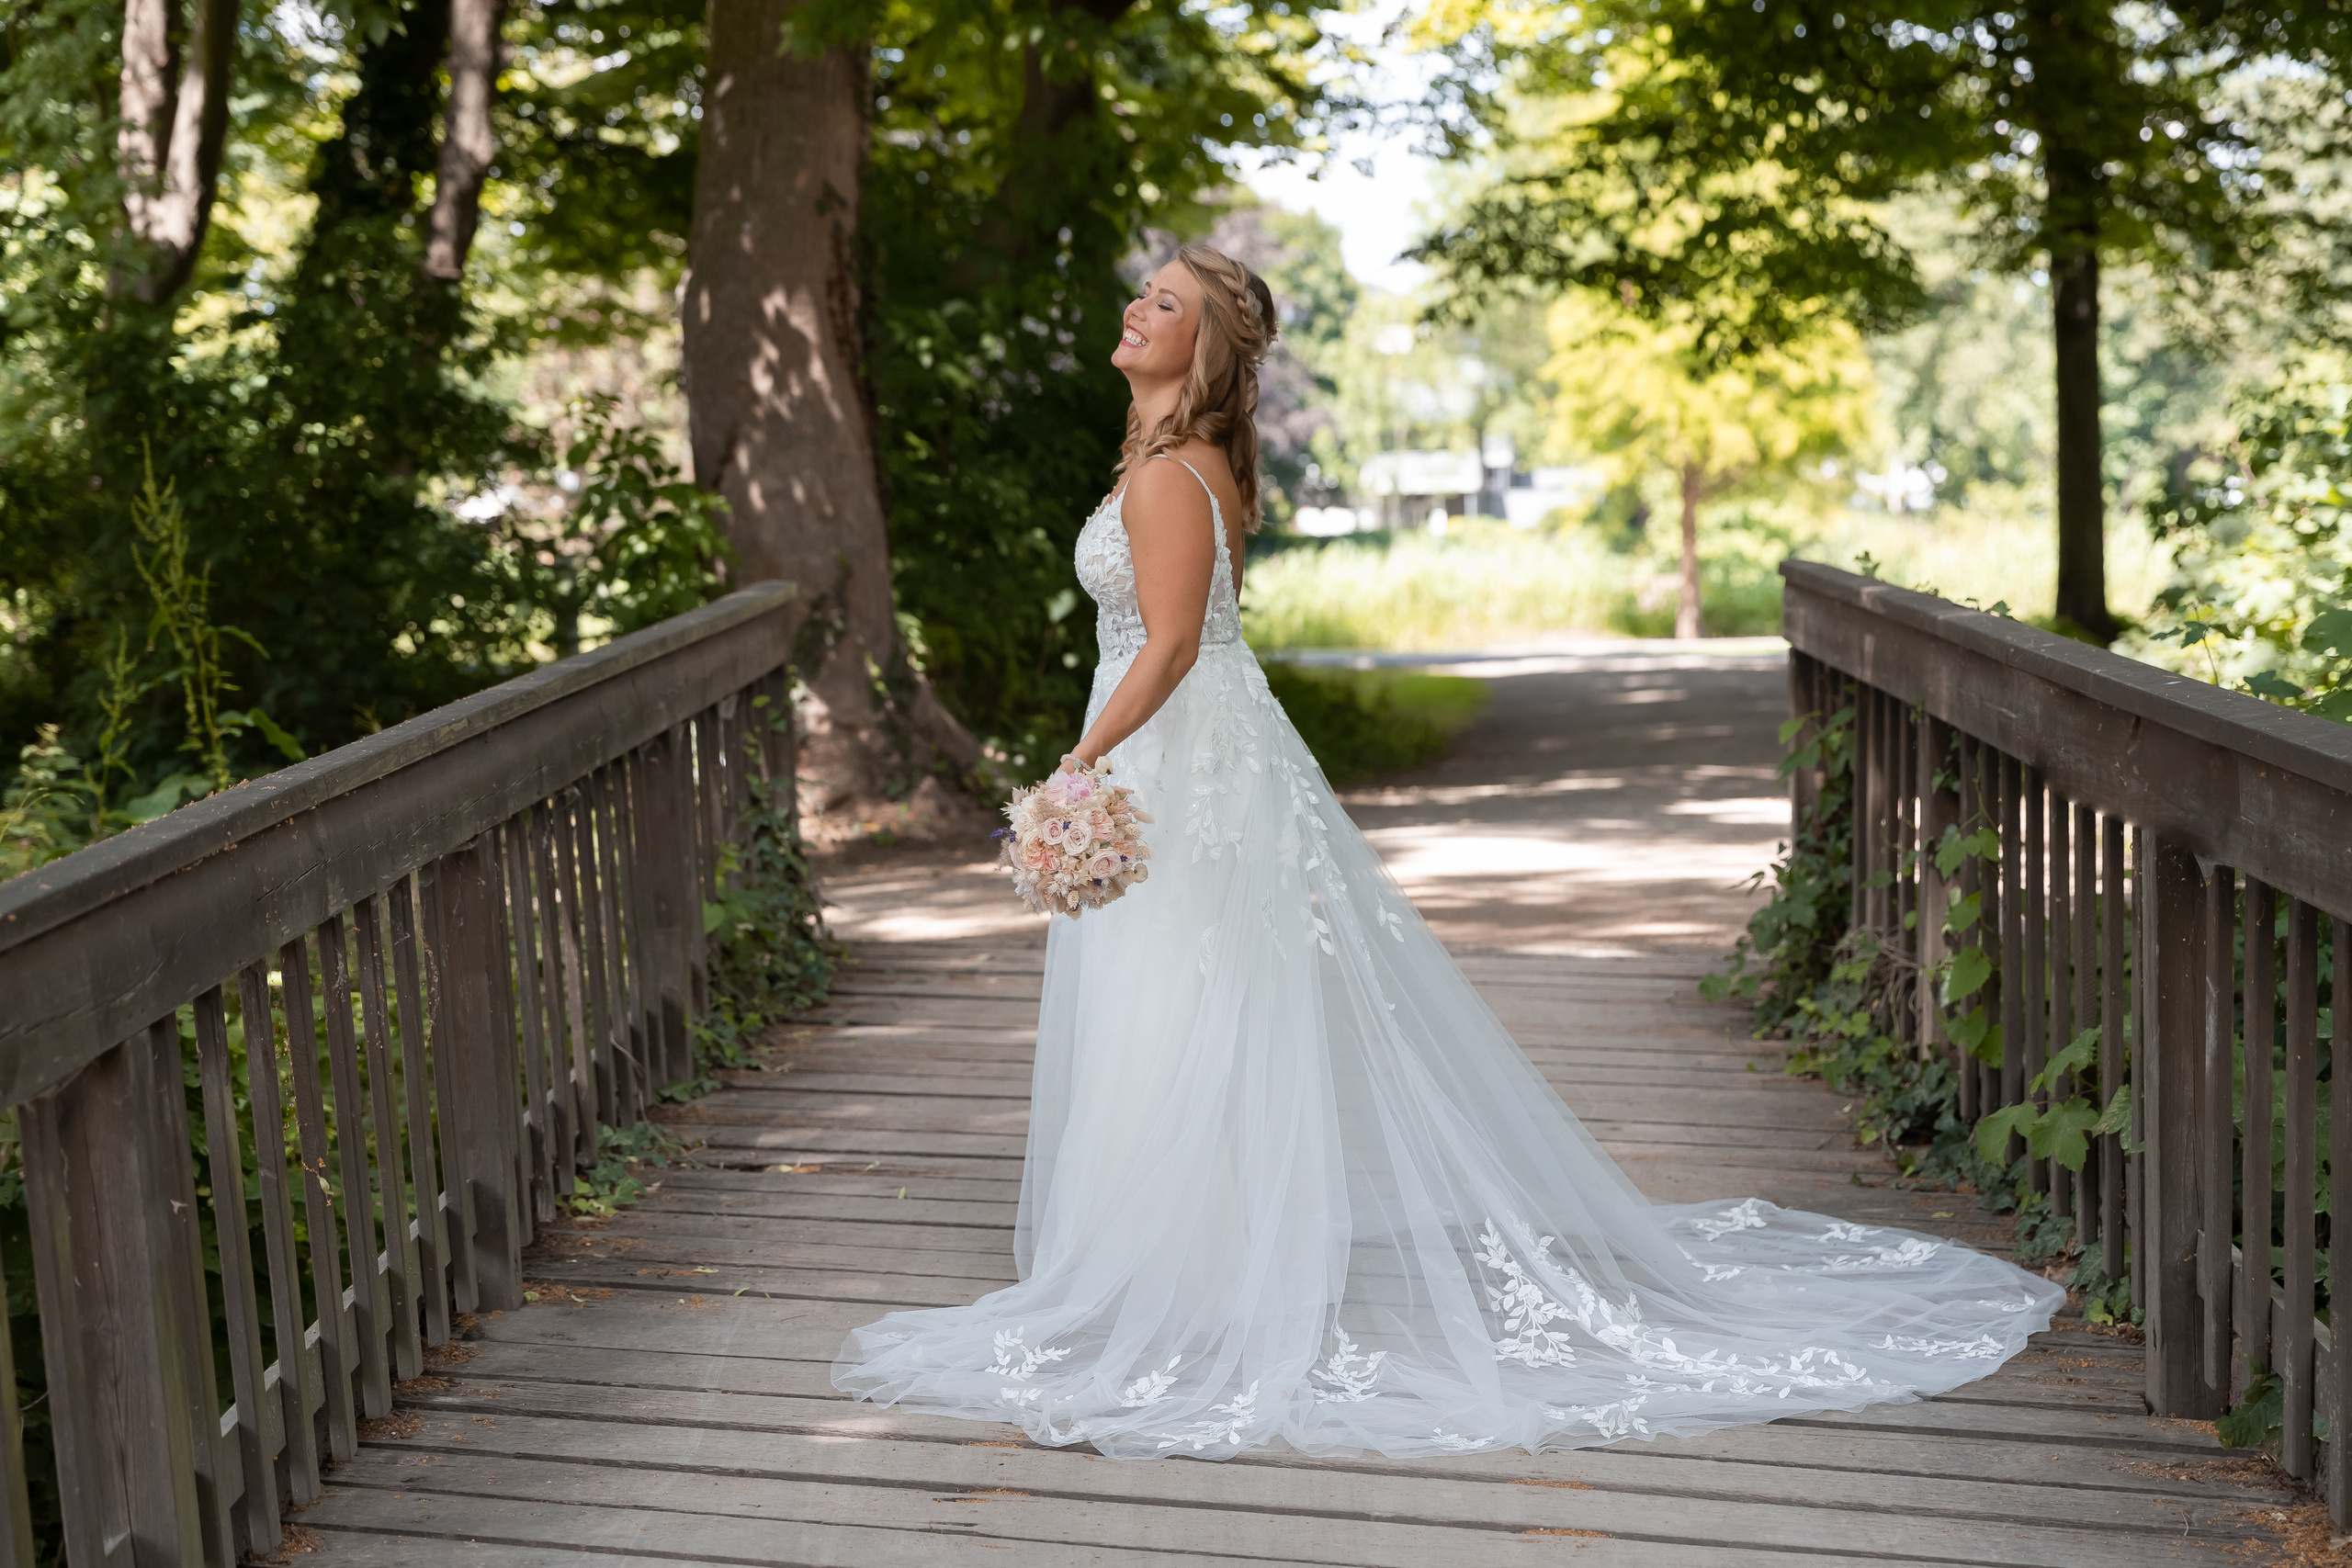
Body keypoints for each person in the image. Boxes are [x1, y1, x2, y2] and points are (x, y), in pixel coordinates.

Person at [831, 242, 2062, 1460]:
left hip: (1169, 752)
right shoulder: (1184, 461)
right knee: (1199, 1000)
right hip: (1202, 754)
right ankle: (1188, 1260)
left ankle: (1177, 1277)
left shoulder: (1167, 476)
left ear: (1200, 347)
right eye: (1143, 293)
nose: (1135, 309)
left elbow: (1165, 648)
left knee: (1178, 1000)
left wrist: (1080, 769)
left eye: (1164, 303)